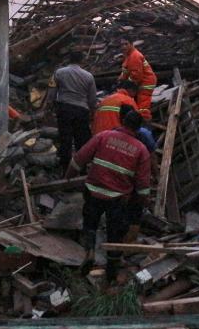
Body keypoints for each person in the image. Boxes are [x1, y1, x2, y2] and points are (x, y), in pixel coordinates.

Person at [65, 108, 151, 282]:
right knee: (115, 234)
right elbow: (142, 185)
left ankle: (89, 252)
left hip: (93, 192)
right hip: (117, 199)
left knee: (90, 225)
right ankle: (111, 272)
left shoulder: (103, 136)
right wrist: (139, 205)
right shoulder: (141, 150)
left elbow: (79, 158)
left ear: (123, 122)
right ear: (138, 129)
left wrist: (68, 178)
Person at [48, 51, 97, 171]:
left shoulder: (59, 72)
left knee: (65, 139)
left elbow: (52, 92)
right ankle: (81, 167)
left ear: (69, 59)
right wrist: (92, 112)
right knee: (81, 140)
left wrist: (52, 106)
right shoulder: (88, 76)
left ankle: (65, 168)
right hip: (81, 111)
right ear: (82, 60)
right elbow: (92, 99)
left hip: (64, 109)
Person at [117, 38, 157, 120]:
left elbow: (136, 76)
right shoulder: (129, 55)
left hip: (145, 83)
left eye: (126, 44)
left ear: (131, 44)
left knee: (143, 106)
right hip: (142, 82)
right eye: (121, 45)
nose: (123, 47)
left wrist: (125, 85)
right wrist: (120, 79)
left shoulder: (134, 56)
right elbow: (126, 71)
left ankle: (144, 123)